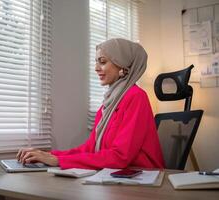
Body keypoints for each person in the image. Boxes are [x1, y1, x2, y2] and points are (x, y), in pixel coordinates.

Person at [16, 38, 165, 170]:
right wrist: (48, 155)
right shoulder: (107, 105)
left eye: (102, 62)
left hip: (141, 178)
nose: (96, 68)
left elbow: (120, 156)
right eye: (96, 62)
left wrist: (57, 160)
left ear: (122, 66)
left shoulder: (136, 97)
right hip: (116, 176)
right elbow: (90, 149)